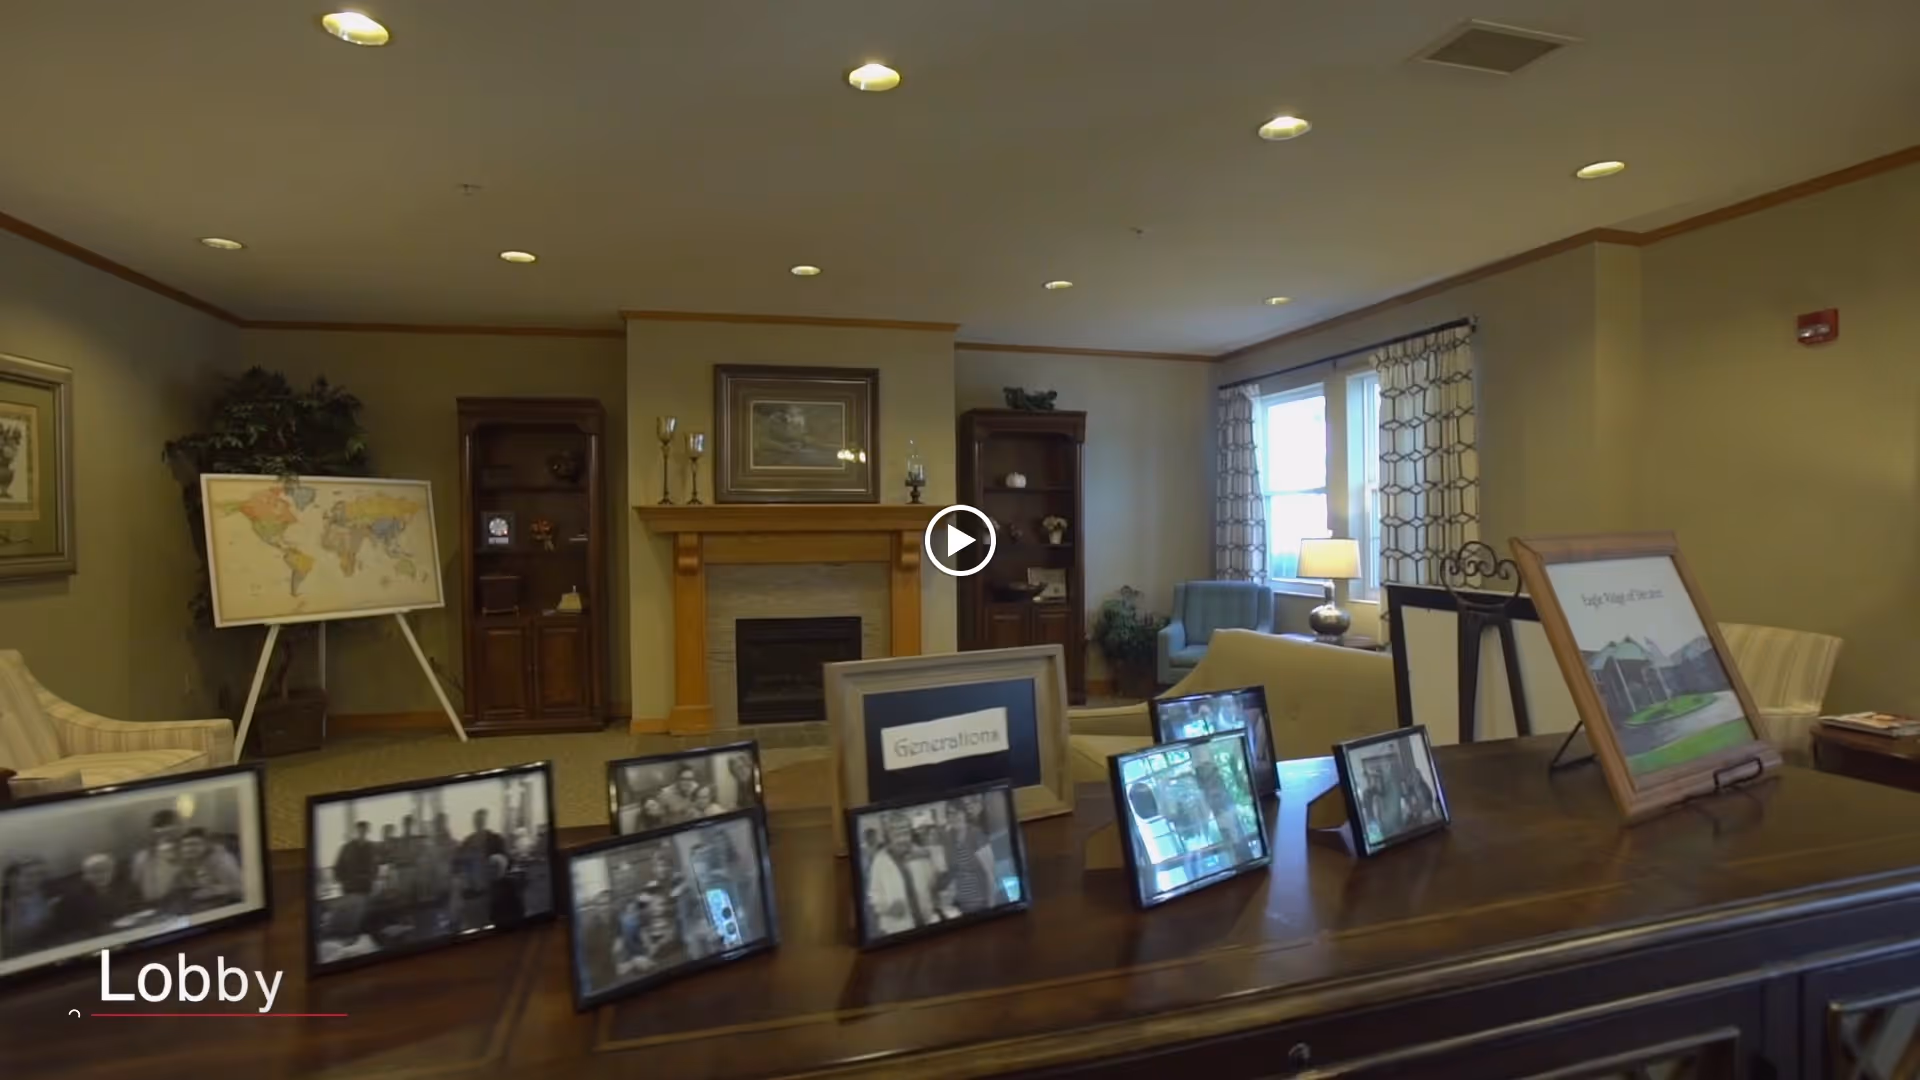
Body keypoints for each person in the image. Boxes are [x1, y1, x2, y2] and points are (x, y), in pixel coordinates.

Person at [59, 853, 140, 941]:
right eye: (95, 872)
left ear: (113, 872)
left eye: (106, 870)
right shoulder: (73, 897)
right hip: (96, 941)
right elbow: (70, 929)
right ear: (85, 875)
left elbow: (136, 908)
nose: (101, 875)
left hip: (128, 934)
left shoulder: (125, 886)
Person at [941, 800, 999, 914]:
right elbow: (952, 872)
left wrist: (991, 904)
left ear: (964, 813)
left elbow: (991, 872)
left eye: (957, 812)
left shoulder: (976, 834)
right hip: (960, 905)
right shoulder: (949, 838)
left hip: (981, 902)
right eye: (950, 814)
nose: (954, 817)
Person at [456, 809, 508, 930]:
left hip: (494, 894)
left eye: (481, 820)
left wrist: (496, 865)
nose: (478, 822)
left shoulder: (495, 839)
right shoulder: (467, 841)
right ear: (474, 822)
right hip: (473, 895)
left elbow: (506, 860)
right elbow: (458, 863)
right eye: (476, 820)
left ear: (485, 821)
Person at [1, 857, 63, 958]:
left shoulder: (48, 894)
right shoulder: (5, 905)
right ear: (12, 879)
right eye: (28, 875)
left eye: (40, 875)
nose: (36, 880)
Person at [171, 828, 244, 910]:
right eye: (185, 845)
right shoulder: (196, 859)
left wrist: (210, 891)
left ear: (206, 844)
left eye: (194, 844)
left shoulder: (221, 860)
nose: (188, 849)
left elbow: (238, 889)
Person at [332, 821, 378, 936]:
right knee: (352, 918)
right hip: (350, 889)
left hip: (366, 888)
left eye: (364, 830)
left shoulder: (372, 847)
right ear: (356, 831)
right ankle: (351, 939)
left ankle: (363, 941)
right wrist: (344, 881)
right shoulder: (346, 848)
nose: (362, 832)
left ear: (367, 831)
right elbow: (337, 867)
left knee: (364, 917)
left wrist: (372, 878)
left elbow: (376, 866)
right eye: (360, 830)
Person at [130, 809, 183, 904]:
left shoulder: (188, 852)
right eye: (160, 828)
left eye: (170, 828)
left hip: (182, 901)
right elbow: (135, 885)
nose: (165, 834)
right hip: (152, 905)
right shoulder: (142, 857)